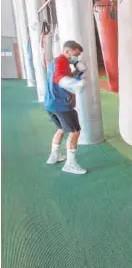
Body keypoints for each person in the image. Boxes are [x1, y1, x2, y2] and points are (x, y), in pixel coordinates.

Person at [44, 40, 88, 174]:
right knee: (75, 132)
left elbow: (59, 77)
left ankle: (54, 156)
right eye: (75, 54)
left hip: (50, 104)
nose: (76, 57)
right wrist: (77, 83)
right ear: (67, 51)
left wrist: (77, 72)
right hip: (62, 105)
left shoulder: (56, 62)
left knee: (61, 128)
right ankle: (70, 164)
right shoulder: (62, 60)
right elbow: (59, 79)